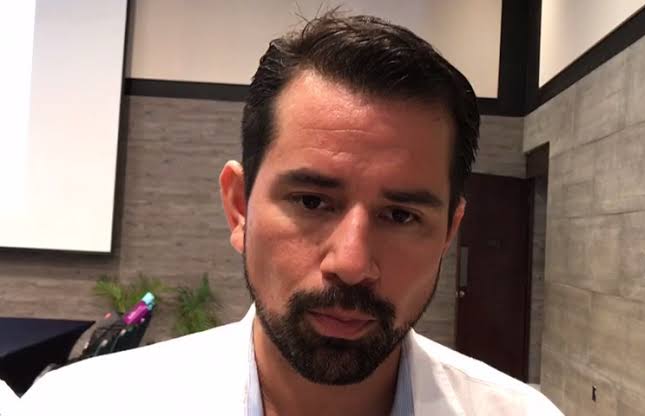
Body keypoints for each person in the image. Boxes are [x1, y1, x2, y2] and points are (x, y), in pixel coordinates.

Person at [19, 13, 562, 416]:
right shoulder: (79, 407)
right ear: (239, 207)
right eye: (312, 202)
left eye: (400, 215)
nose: (352, 264)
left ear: (447, 233)